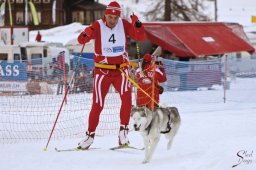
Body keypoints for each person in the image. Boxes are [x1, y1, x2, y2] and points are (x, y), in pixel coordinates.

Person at [77, 1, 146, 149]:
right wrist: (87, 33)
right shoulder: (97, 25)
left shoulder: (124, 24)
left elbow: (140, 37)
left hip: (121, 71)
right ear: (105, 15)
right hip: (102, 71)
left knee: (127, 101)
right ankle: (89, 136)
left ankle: (123, 133)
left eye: (115, 18)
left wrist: (137, 24)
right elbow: (81, 40)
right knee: (97, 105)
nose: (112, 21)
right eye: (110, 17)